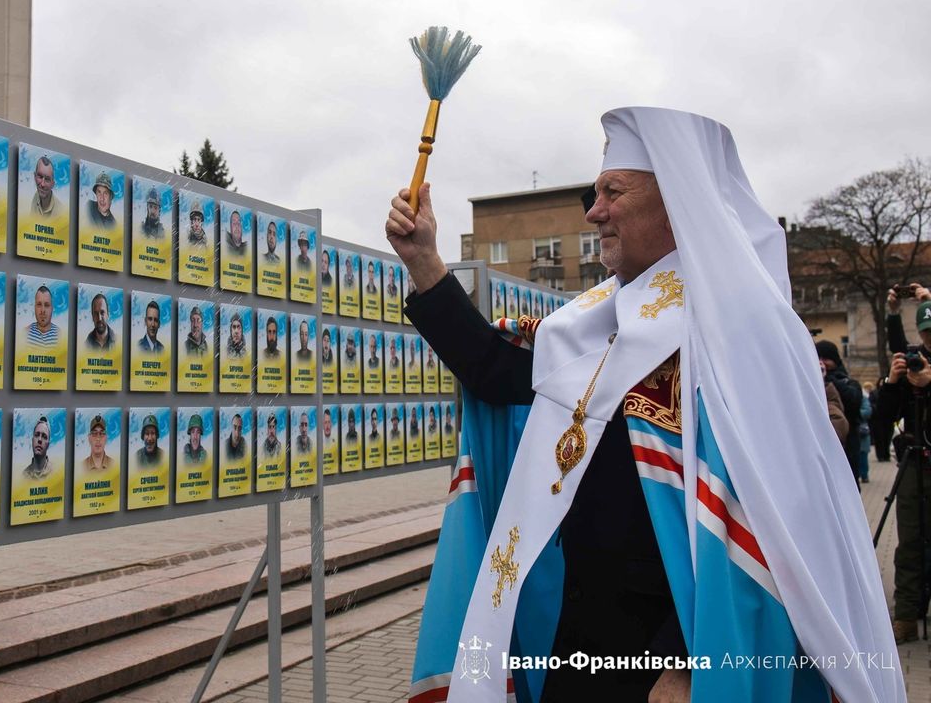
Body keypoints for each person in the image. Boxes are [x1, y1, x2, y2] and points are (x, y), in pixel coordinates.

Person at [391, 108, 900, 702]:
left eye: (613, 192)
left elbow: (778, 514)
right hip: (578, 637)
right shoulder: (593, 318)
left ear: (677, 204)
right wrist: (423, 260)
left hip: (671, 653)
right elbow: (499, 377)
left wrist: (685, 662)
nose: (593, 210)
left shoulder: (744, 327)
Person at [877, 286, 931, 645]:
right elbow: (882, 425)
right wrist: (893, 385)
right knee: (909, 541)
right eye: (926, 331)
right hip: (915, 463)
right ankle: (907, 616)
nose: (929, 338)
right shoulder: (913, 362)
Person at [816, 340, 862, 481]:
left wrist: (828, 379)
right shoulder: (811, 383)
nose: (822, 362)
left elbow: (853, 402)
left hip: (848, 448)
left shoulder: (848, 382)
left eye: (826, 358)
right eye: (818, 358)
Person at [860, 381, 874, 483]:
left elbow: (868, 411)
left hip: (862, 430)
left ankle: (864, 475)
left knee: (863, 454)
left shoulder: (863, 398)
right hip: (853, 432)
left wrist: (855, 413)